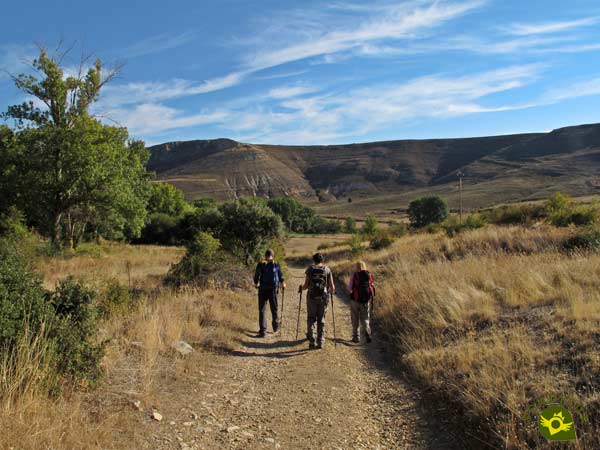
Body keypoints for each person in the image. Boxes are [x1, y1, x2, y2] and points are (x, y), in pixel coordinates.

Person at [298, 253, 336, 349]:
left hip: (311, 297)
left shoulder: (310, 269)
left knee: (311, 318)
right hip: (323, 298)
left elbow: (306, 285)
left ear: (313, 260)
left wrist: (301, 288)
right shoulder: (327, 269)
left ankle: (311, 339)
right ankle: (320, 342)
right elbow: (332, 287)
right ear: (322, 260)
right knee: (321, 319)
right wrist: (330, 292)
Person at [253, 249, 286, 338]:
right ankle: (276, 327)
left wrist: (256, 283)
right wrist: (283, 284)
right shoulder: (276, 264)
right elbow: (281, 275)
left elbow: (256, 275)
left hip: (263, 289)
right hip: (273, 290)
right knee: (274, 309)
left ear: (265, 255)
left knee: (262, 309)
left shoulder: (261, 264)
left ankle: (263, 331)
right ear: (273, 255)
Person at [348, 261, 375, 343]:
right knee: (366, 318)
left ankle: (356, 337)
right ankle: (367, 332)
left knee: (355, 319)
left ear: (356, 267)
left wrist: (352, 293)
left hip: (355, 300)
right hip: (366, 300)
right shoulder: (368, 274)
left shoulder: (354, 275)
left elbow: (350, 289)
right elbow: (372, 286)